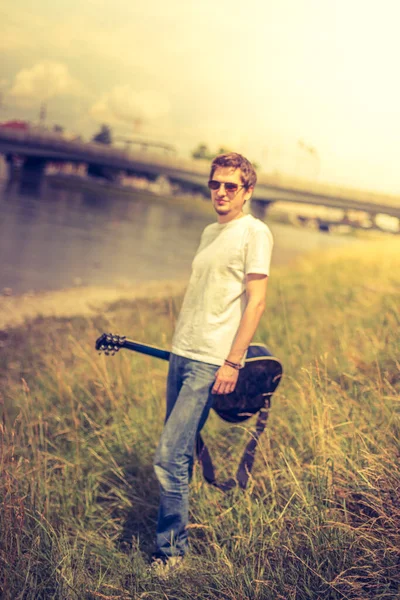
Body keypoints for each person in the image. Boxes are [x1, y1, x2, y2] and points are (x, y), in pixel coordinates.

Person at [151, 152, 273, 574]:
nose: (221, 192)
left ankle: (172, 554)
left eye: (231, 186)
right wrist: (177, 347)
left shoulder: (254, 233)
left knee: (168, 455)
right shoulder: (209, 232)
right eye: (215, 184)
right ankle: (173, 541)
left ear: (247, 191)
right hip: (182, 352)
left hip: (211, 362)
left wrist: (232, 362)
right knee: (180, 451)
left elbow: (256, 302)